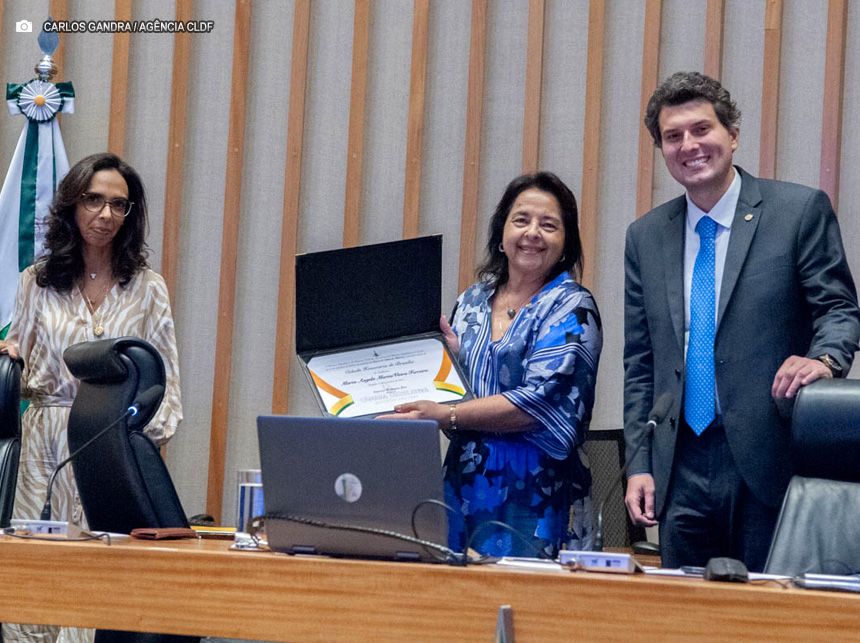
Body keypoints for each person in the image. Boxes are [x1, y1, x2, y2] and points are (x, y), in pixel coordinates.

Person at [623, 71, 860, 571]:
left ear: (732, 134)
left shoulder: (797, 211)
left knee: (767, 618)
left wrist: (825, 359)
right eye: (673, 136)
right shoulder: (645, 236)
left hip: (769, 458)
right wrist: (639, 462)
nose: (689, 145)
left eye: (701, 129)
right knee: (686, 620)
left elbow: (838, 308)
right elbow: (641, 362)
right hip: (680, 464)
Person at [0, 152, 182, 643]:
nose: (106, 215)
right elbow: (22, 356)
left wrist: (141, 451)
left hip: (112, 447)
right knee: (35, 584)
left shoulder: (148, 288)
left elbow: (164, 380)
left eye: (119, 205)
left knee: (99, 584)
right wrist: (8, 354)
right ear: (71, 205)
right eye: (94, 200)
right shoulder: (36, 282)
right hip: (46, 446)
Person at [382, 171, 602, 558]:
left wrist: (445, 413)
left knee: (533, 611)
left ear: (566, 243)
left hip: (538, 494)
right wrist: (448, 365)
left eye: (549, 225)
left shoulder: (572, 306)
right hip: (462, 487)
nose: (533, 232)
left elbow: (537, 405)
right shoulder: (470, 302)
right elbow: (462, 401)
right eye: (521, 220)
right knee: (455, 609)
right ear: (501, 233)